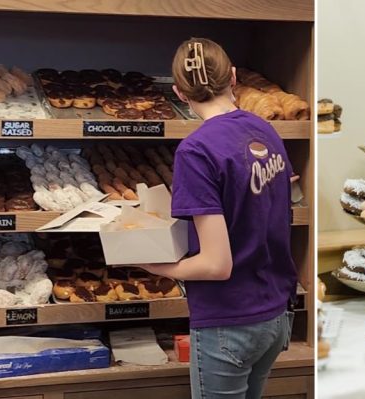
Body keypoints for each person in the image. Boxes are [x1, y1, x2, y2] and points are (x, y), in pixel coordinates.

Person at [139, 38, 298, 399]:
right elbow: (270, 201)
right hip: (274, 315)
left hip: (230, 322)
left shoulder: (196, 151)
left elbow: (216, 265)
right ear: (235, 78)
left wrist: (157, 266)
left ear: (179, 92)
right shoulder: (266, 130)